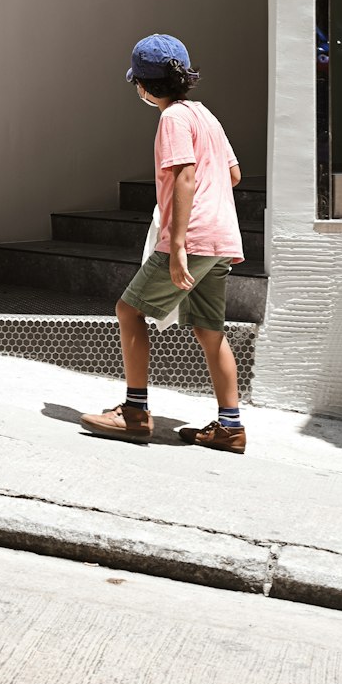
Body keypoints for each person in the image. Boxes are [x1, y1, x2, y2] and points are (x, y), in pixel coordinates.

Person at [80, 34, 247, 453]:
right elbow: (233, 175)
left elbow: (185, 175)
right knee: (211, 331)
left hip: (191, 238)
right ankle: (230, 427)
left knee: (128, 309)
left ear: (143, 86)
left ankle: (134, 412)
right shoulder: (205, 114)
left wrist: (177, 245)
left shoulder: (172, 119)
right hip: (222, 237)